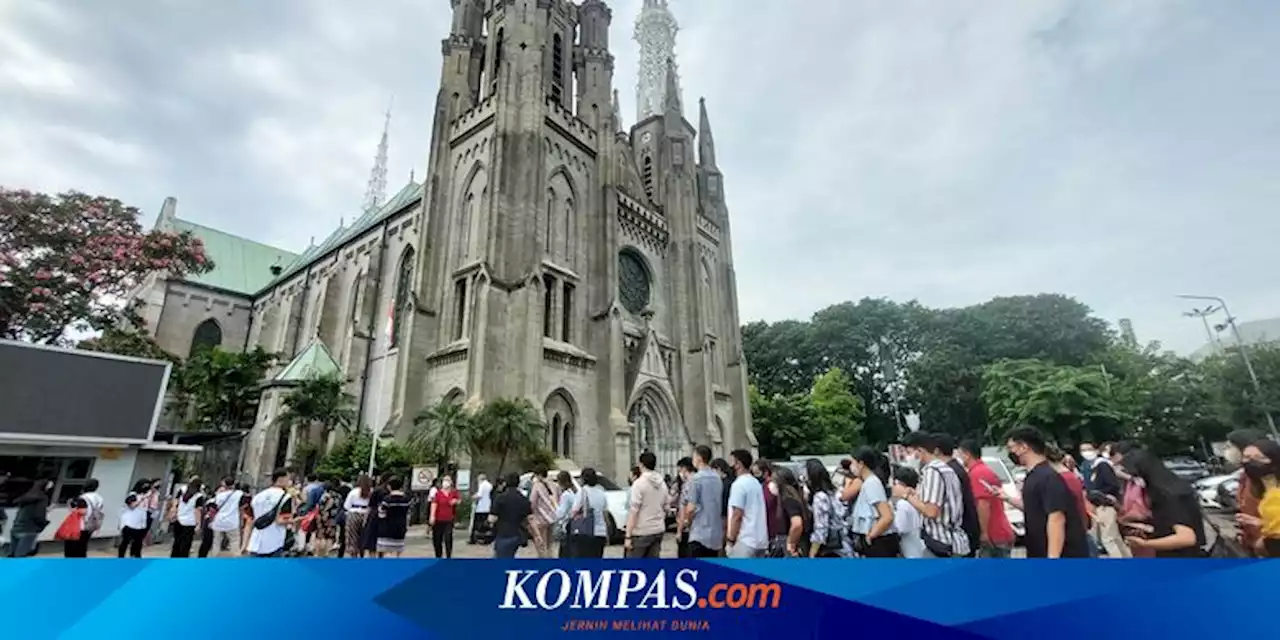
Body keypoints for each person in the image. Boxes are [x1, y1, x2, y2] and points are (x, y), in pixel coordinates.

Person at [1005, 427, 1090, 558]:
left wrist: (1052, 559)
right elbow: (1035, 509)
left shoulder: (1048, 477)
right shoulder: (1034, 476)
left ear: (1024, 447)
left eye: (1012, 447)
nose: (1011, 452)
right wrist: (1006, 498)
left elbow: (1057, 518)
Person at [1119, 449, 1206, 557]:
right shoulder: (1168, 489)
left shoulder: (1170, 496)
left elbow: (1186, 538)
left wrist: (1145, 544)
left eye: (1134, 475)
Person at [900, 432, 970, 557]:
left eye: (909, 452)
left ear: (920, 450)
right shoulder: (945, 468)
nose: (907, 457)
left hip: (941, 542)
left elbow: (931, 511)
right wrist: (916, 494)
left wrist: (906, 496)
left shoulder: (932, 471)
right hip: (953, 542)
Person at [957, 440, 1016, 558]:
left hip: (994, 535)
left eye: (960, 454)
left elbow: (983, 504)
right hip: (999, 532)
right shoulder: (983, 470)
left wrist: (984, 532)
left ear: (967, 454)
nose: (959, 458)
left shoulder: (977, 474)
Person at [846, 447, 898, 557]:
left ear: (861, 463)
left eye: (853, 462)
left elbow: (887, 516)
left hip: (879, 541)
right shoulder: (869, 482)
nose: (851, 466)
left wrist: (870, 536)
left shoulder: (872, 483)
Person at [935, 434, 981, 556]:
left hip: (962, 532)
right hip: (967, 529)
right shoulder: (955, 468)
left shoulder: (949, 471)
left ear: (936, 451)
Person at [1225, 429, 1267, 554]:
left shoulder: (1268, 477)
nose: (1227, 451)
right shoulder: (1246, 475)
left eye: (1230, 447)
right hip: (1255, 545)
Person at [1236, 438, 1280, 557]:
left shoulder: (1275, 493)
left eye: (1259, 457)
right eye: (1246, 457)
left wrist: (1264, 544)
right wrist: (1261, 523)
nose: (1251, 462)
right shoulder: (1264, 488)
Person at [683, 445, 725, 558]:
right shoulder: (717, 478)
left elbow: (691, 507)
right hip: (715, 533)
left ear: (699, 458)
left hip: (699, 533)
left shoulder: (696, 479)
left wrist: (687, 521)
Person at [725, 449, 768, 558]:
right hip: (760, 540)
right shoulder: (755, 483)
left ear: (738, 464)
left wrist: (730, 540)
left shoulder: (739, 485)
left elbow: (737, 514)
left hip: (745, 540)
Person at [625, 452, 668, 558]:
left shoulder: (639, 484)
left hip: (641, 531)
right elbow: (666, 507)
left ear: (641, 464)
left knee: (634, 569)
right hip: (658, 529)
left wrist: (628, 536)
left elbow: (634, 511)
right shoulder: (662, 483)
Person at [246, 469, 295, 558]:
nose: (289, 481)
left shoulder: (258, 496)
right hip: (274, 541)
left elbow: (250, 520)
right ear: (281, 479)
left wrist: (244, 543)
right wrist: (294, 520)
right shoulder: (286, 497)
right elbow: (280, 520)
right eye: (288, 478)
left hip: (256, 541)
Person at [804, 459, 847, 558]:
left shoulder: (820, 497)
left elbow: (821, 528)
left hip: (830, 549)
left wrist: (813, 552)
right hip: (844, 544)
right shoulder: (836, 492)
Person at [770, 465, 810, 557]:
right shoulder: (796, 496)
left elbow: (797, 524)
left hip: (790, 545)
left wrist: (790, 543)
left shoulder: (788, 500)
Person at [570, 468, 611, 558]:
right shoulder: (601, 492)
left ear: (583, 479)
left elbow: (574, 511)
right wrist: (607, 532)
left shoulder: (582, 492)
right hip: (601, 532)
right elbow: (605, 514)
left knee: (585, 560)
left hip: (586, 532)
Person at [490, 472, 532, 558]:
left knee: (500, 559)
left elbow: (492, 518)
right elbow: (530, 518)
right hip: (517, 533)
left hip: (503, 533)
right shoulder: (523, 499)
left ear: (506, 482)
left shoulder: (500, 498)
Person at [8, 478, 52, 557]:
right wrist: (44, 523)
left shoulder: (27, 496)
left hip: (16, 527)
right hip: (29, 529)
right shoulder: (42, 498)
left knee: (12, 555)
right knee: (21, 557)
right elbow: (39, 515)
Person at [751, 459, 786, 557]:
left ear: (765, 472)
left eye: (757, 473)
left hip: (773, 531)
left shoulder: (771, 486)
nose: (755, 476)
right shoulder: (763, 486)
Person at [890, 466, 926, 558]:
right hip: (918, 548)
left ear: (901, 484)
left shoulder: (902, 504)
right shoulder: (915, 500)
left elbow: (899, 528)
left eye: (895, 484)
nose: (893, 487)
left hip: (909, 552)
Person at [64, 478, 104, 558]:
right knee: (82, 547)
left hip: (79, 525)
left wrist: (69, 503)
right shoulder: (99, 498)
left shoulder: (83, 497)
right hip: (90, 526)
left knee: (71, 548)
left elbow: (76, 510)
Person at [375, 477, 412, 558]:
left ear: (389, 486)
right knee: (398, 550)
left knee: (386, 551)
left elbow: (381, 514)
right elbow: (408, 513)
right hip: (401, 527)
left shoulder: (387, 499)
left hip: (387, 528)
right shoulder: (406, 499)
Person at [528, 467, 559, 558]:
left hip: (541, 518)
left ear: (540, 475)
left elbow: (533, 502)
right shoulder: (553, 484)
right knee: (550, 544)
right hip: (553, 517)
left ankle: (543, 562)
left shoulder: (537, 486)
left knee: (541, 543)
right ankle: (551, 559)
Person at [170, 479, 205, 557]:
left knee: (177, 542)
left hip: (179, 519)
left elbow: (175, 501)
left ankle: (173, 559)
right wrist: (198, 524)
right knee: (186, 544)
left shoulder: (182, 490)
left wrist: (174, 511)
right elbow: (197, 511)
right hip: (190, 522)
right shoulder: (198, 496)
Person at [429, 474, 462, 558]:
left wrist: (455, 501)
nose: (446, 482)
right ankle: (438, 556)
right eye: (445, 480)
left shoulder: (454, 492)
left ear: (451, 482)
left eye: (448, 480)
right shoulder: (438, 493)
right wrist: (432, 516)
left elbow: (459, 500)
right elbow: (434, 504)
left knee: (448, 538)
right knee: (437, 539)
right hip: (438, 519)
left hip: (448, 519)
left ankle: (448, 556)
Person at [119, 480, 152, 558]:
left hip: (140, 524)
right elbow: (132, 506)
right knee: (125, 542)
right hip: (129, 523)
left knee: (138, 543)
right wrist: (142, 498)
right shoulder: (133, 495)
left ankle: (135, 556)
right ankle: (120, 558)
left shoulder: (146, 497)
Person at [311, 480, 342, 557]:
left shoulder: (325, 496)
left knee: (320, 536)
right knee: (330, 537)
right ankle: (326, 554)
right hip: (332, 519)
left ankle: (318, 554)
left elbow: (319, 507)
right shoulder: (338, 496)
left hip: (322, 518)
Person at [343, 474, 373, 558]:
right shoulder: (371, 492)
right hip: (366, 514)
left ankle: (353, 556)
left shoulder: (353, 492)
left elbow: (346, 506)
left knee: (352, 537)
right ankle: (362, 554)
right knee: (363, 537)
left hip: (354, 514)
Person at [673, 457, 695, 558]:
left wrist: (679, 530)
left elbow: (685, 509)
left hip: (687, 528)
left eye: (680, 470)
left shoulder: (687, 485)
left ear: (684, 469)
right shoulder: (699, 481)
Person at [553, 471, 578, 558]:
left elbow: (560, 513)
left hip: (567, 526)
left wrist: (555, 502)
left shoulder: (566, 495)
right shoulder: (575, 492)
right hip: (575, 525)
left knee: (564, 554)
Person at [470, 473, 493, 544]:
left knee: (477, 524)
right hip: (488, 507)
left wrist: (473, 497)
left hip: (480, 508)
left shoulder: (482, 485)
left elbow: (479, 495)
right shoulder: (490, 485)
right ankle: (486, 539)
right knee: (486, 525)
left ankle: (474, 539)